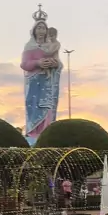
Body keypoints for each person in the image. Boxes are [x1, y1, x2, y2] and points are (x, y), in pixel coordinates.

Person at [20, 9, 63, 142]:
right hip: (34, 84)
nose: (41, 30)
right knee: (34, 108)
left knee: (47, 107)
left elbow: (59, 64)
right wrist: (38, 63)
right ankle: (33, 135)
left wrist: (54, 63)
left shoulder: (50, 46)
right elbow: (24, 64)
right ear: (34, 30)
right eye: (38, 28)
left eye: (43, 28)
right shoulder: (29, 46)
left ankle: (46, 135)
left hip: (47, 84)